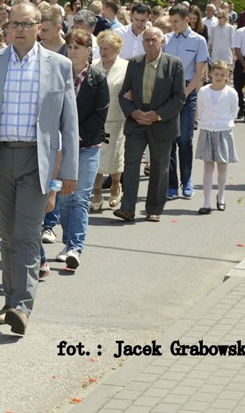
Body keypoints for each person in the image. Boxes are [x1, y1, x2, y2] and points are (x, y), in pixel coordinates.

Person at [0, 0, 77, 336]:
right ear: (6, 28)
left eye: (27, 24)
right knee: (8, 235)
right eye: (15, 24)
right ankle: (10, 302)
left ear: (40, 27)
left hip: (37, 159)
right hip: (0, 158)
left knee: (26, 233)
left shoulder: (59, 65)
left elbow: (69, 124)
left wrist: (69, 171)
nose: (20, 30)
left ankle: (22, 306)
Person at [43, 29, 108, 270]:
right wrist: (62, 138)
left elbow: (100, 114)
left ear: (89, 51)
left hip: (87, 146)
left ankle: (75, 247)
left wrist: (76, 136)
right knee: (64, 196)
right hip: (61, 146)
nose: (72, 52)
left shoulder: (98, 78)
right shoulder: (58, 75)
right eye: (69, 47)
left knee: (80, 197)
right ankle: (68, 241)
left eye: (77, 47)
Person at [113, 26, 186, 223]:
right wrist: (133, 112)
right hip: (137, 121)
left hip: (162, 122)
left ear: (163, 42)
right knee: (131, 164)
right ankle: (127, 208)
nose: (150, 43)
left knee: (159, 167)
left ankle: (154, 208)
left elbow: (179, 98)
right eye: (147, 40)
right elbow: (124, 94)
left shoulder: (174, 64)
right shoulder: (135, 63)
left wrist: (157, 115)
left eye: (154, 39)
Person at [164, 4, 209, 200]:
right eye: (171, 21)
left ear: (186, 20)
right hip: (168, 92)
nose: (173, 25)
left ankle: (187, 180)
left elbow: (199, 72)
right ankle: (172, 184)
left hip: (188, 90)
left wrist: (184, 94)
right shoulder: (166, 39)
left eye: (176, 22)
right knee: (170, 140)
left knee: (185, 139)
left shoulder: (199, 41)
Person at [92, 30, 129, 210]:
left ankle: (116, 185)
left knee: (115, 156)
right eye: (101, 48)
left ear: (116, 49)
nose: (103, 51)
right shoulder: (93, 66)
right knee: (96, 157)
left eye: (107, 48)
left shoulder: (126, 67)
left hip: (117, 118)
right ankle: (97, 191)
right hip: (96, 119)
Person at [195, 61, 238, 214]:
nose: (219, 77)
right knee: (207, 167)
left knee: (222, 167)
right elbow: (200, 109)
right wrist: (204, 122)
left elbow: (234, 111)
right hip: (207, 130)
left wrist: (224, 123)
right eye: (216, 74)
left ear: (227, 77)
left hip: (223, 131)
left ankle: (221, 196)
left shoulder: (231, 93)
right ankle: (206, 202)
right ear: (211, 74)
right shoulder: (204, 91)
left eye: (222, 75)